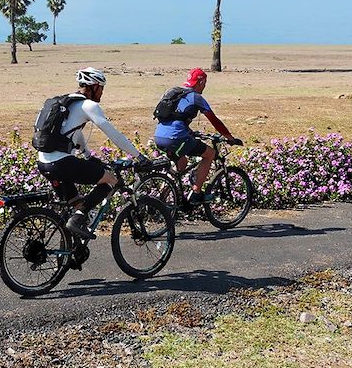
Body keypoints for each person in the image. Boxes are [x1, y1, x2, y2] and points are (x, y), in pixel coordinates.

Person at [35, 67, 150, 240]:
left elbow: (75, 133)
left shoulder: (68, 102)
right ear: (95, 86)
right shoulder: (89, 105)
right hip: (61, 163)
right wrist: (139, 156)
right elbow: (114, 135)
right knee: (111, 180)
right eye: (102, 88)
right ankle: (78, 218)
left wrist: (88, 155)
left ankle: (68, 251)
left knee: (76, 204)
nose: (102, 92)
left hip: (43, 162)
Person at [153, 68, 242, 205]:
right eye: (204, 84)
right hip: (177, 138)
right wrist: (229, 137)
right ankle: (196, 193)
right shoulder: (196, 97)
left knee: (181, 164)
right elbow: (215, 121)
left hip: (159, 136)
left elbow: (173, 118)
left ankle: (160, 201)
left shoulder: (174, 93)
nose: (204, 87)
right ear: (200, 82)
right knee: (210, 154)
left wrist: (189, 131)